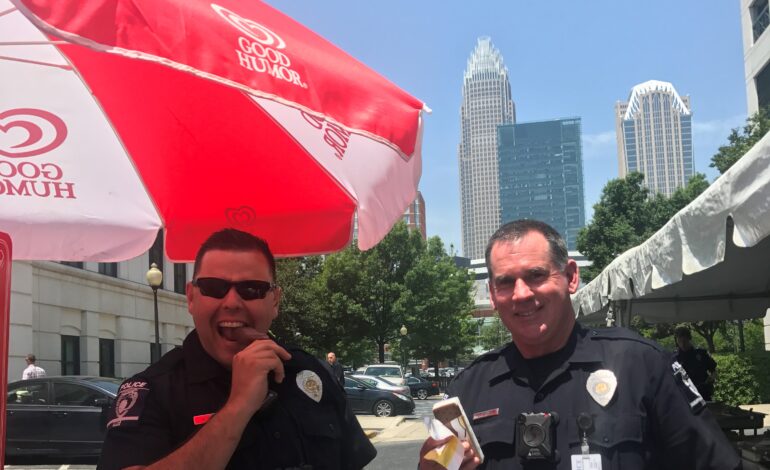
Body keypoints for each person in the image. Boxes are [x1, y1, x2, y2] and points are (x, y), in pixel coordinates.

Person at [418, 219, 740, 470]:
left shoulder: (642, 366)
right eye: (505, 282)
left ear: (571, 276)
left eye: (535, 275)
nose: (521, 294)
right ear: (492, 294)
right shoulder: (468, 390)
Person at [98, 228, 375, 470]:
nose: (231, 302)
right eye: (214, 287)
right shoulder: (154, 391)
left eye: (251, 289)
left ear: (275, 301)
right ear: (191, 298)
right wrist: (238, 407)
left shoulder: (308, 372)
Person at [673, 326, 718, 401]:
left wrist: (711, 379)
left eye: (685, 341)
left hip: (703, 394)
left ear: (689, 339)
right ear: (677, 341)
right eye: (680, 341)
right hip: (684, 396)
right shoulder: (674, 358)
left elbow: (714, 370)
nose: (682, 344)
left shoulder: (701, 354)